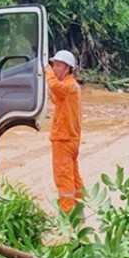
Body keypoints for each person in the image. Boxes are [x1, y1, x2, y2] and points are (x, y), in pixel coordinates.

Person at [46, 50, 84, 214]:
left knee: (63, 178)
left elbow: (56, 87)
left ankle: (67, 214)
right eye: (53, 65)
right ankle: (79, 209)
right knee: (74, 176)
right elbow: (56, 96)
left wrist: (46, 71)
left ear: (67, 68)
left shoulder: (67, 85)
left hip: (64, 138)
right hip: (71, 138)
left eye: (58, 65)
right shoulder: (71, 86)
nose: (54, 68)